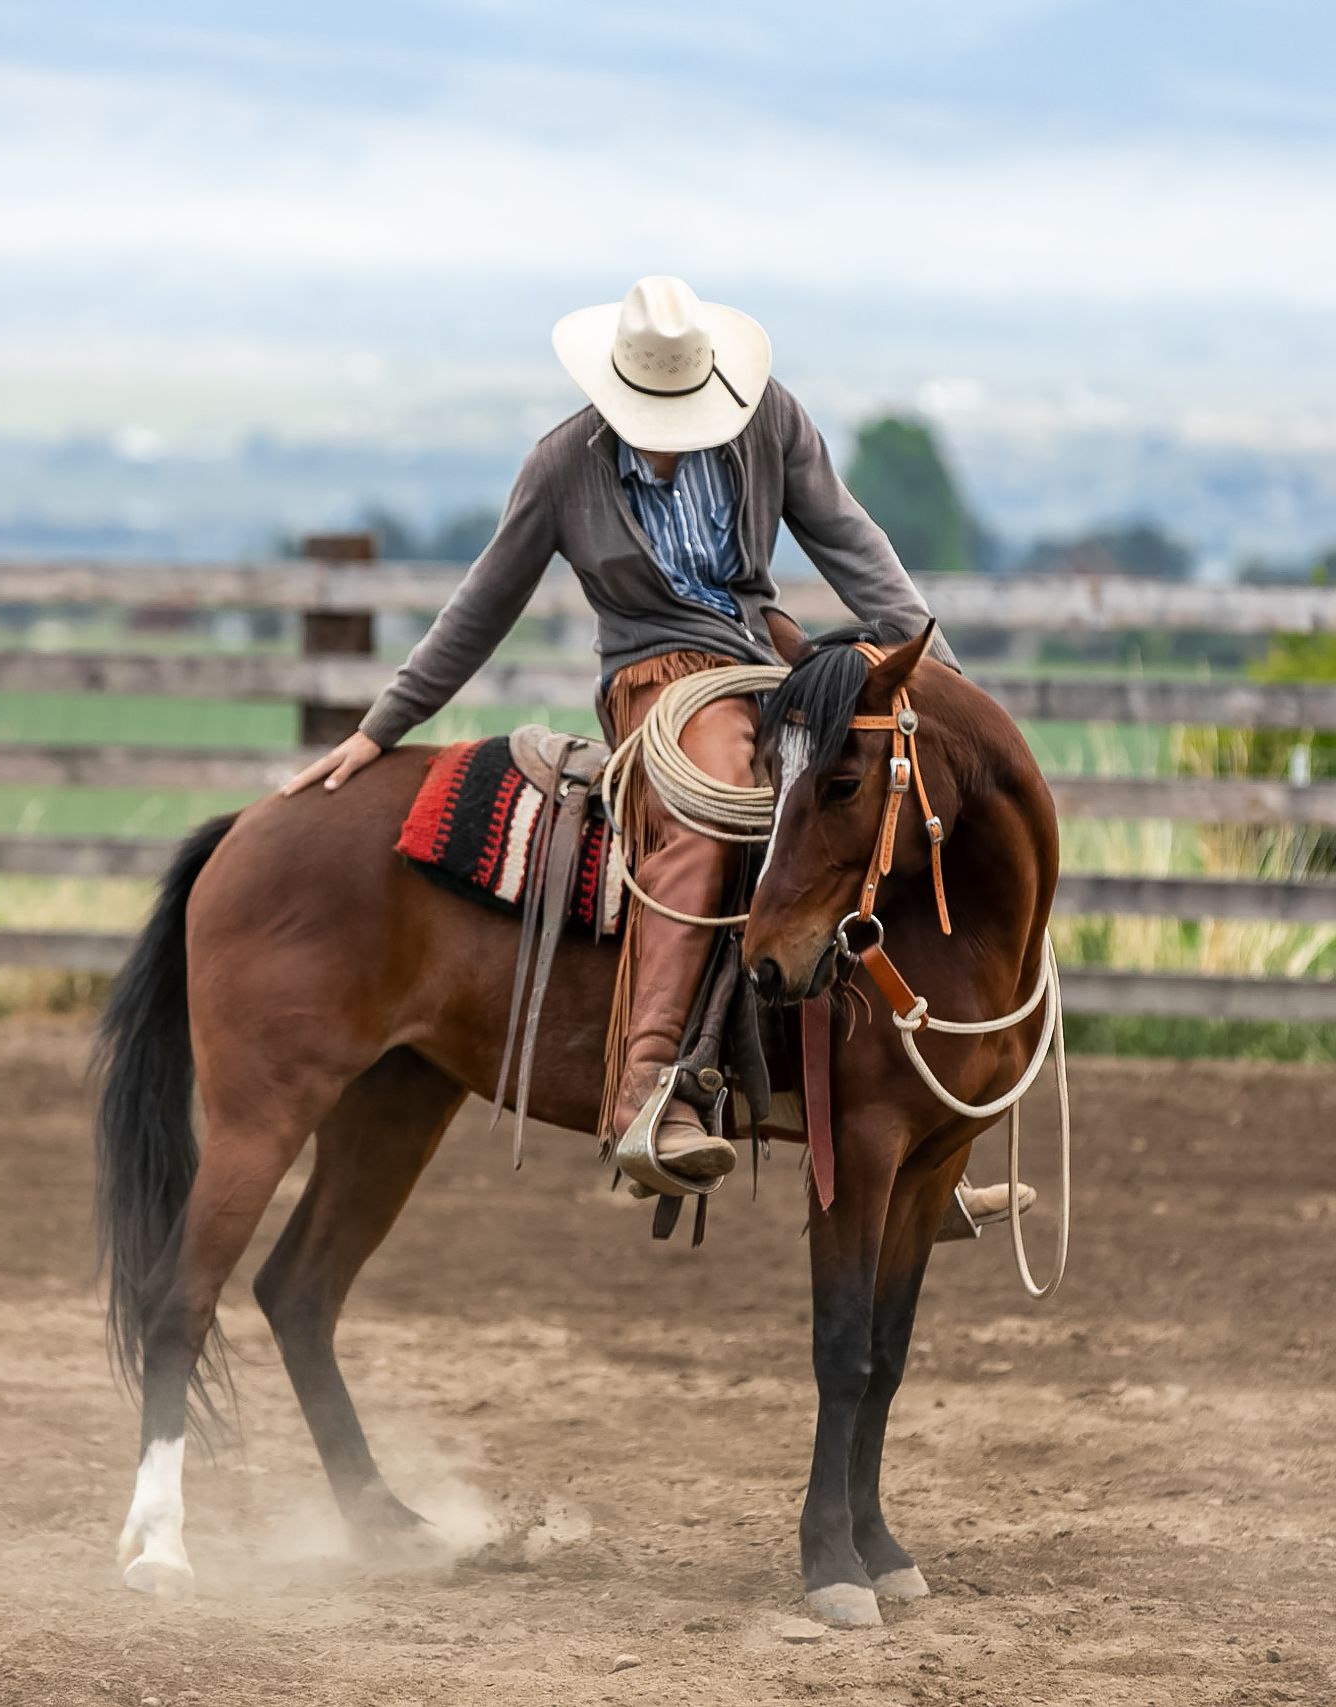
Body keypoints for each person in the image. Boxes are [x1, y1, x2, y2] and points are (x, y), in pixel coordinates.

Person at [286, 276, 1016, 1223]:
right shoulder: (563, 467)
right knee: (712, 803)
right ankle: (648, 1086)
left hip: (761, 661)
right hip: (653, 681)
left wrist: (946, 686)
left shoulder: (769, 422)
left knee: (864, 799)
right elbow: (482, 605)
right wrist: (380, 727)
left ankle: (913, 1134)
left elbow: (852, 544)